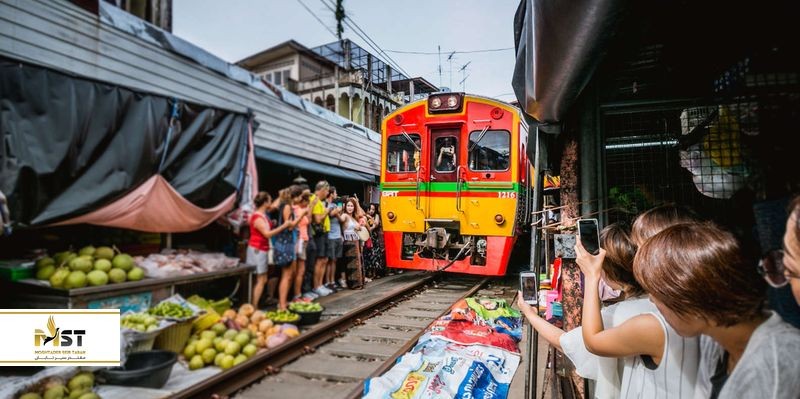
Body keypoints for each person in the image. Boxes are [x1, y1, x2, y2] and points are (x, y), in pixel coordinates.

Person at [634, 222, 800, 399]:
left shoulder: (776, 364)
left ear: (692, 298)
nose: (651, 299)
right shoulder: (714, 337)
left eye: (657, 293)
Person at [518, 224, 663, 398]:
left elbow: (565, 342)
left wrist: (530, 314)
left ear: (608, 271)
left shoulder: (616, 317)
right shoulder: (666, 305)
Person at [247, 192, 290, 308]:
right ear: (265, 202)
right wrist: (283, 226)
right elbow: (267, 234)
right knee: (261, 279)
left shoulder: (263, 214)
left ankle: (254, 305)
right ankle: (254, 307)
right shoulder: (258, 217)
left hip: (261, 248)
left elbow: (274, 206)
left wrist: (280, 197)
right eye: (270, 200)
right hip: (257, 249)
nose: (271, 202)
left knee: (261, 278)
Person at [274, 185, 306, 311]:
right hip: (285, 243)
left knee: (290, 274)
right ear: (295, 196)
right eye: (300, 196)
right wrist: (301, 216)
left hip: (290, 242)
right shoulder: (287, 206)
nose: (301, 199)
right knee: (286, 275)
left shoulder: (287, 206)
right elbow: (290, 226)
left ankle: (284, 302)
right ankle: (282, 305)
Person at [306, 181, 332, 299]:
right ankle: (316, 286)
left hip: (324, 233)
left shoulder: (319, 201)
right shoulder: (314, 199)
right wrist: (326, 212)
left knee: (324, 259)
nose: (327, 193)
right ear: (322, 189)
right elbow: (317, 219)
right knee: (320, 260)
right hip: (319, 234)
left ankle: (320, 284)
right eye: (327, 191)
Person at [322, 186, 344, 295]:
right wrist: (337, 211)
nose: (336, 195)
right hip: (330, 236)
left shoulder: (335, 206)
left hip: (338, 235)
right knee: (329, 260)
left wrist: (338, 212)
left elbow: (341, 220)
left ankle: (332, 281)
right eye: (335, 193)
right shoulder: (326, 205)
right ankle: (327, 282)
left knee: (334, 260)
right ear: (331, 194)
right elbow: (330, 214)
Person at [341, 197, 367, 289]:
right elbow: (340, 220)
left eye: (352, 206)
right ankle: (354, 284)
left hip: (356, 241)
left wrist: (357, 203)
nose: (350, 208)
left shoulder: (354, 217)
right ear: (345, 206)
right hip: (349, 242)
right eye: (348, 205)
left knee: (358, 262)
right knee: (352, 264)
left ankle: (359, 282)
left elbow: (362, 214)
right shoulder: (344, 215)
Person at [292, 192, 312, 301]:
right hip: (299, 241)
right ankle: (297, 295)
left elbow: (308, 220)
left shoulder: (301, 209)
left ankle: (299, 293)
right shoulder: (296, 209)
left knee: (301, 270)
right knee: (300, 270)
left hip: (304, 240)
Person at [363, 203, 385, 280]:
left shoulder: (376, 216)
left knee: (375, 255)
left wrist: (369, 228)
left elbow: (375, 224)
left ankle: (375, 273)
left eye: (373, 209)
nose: (371, 211)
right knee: (368, 255)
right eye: (370, 209)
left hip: (374, 238)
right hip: (368, 238)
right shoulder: (364, 217)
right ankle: (369, 273)